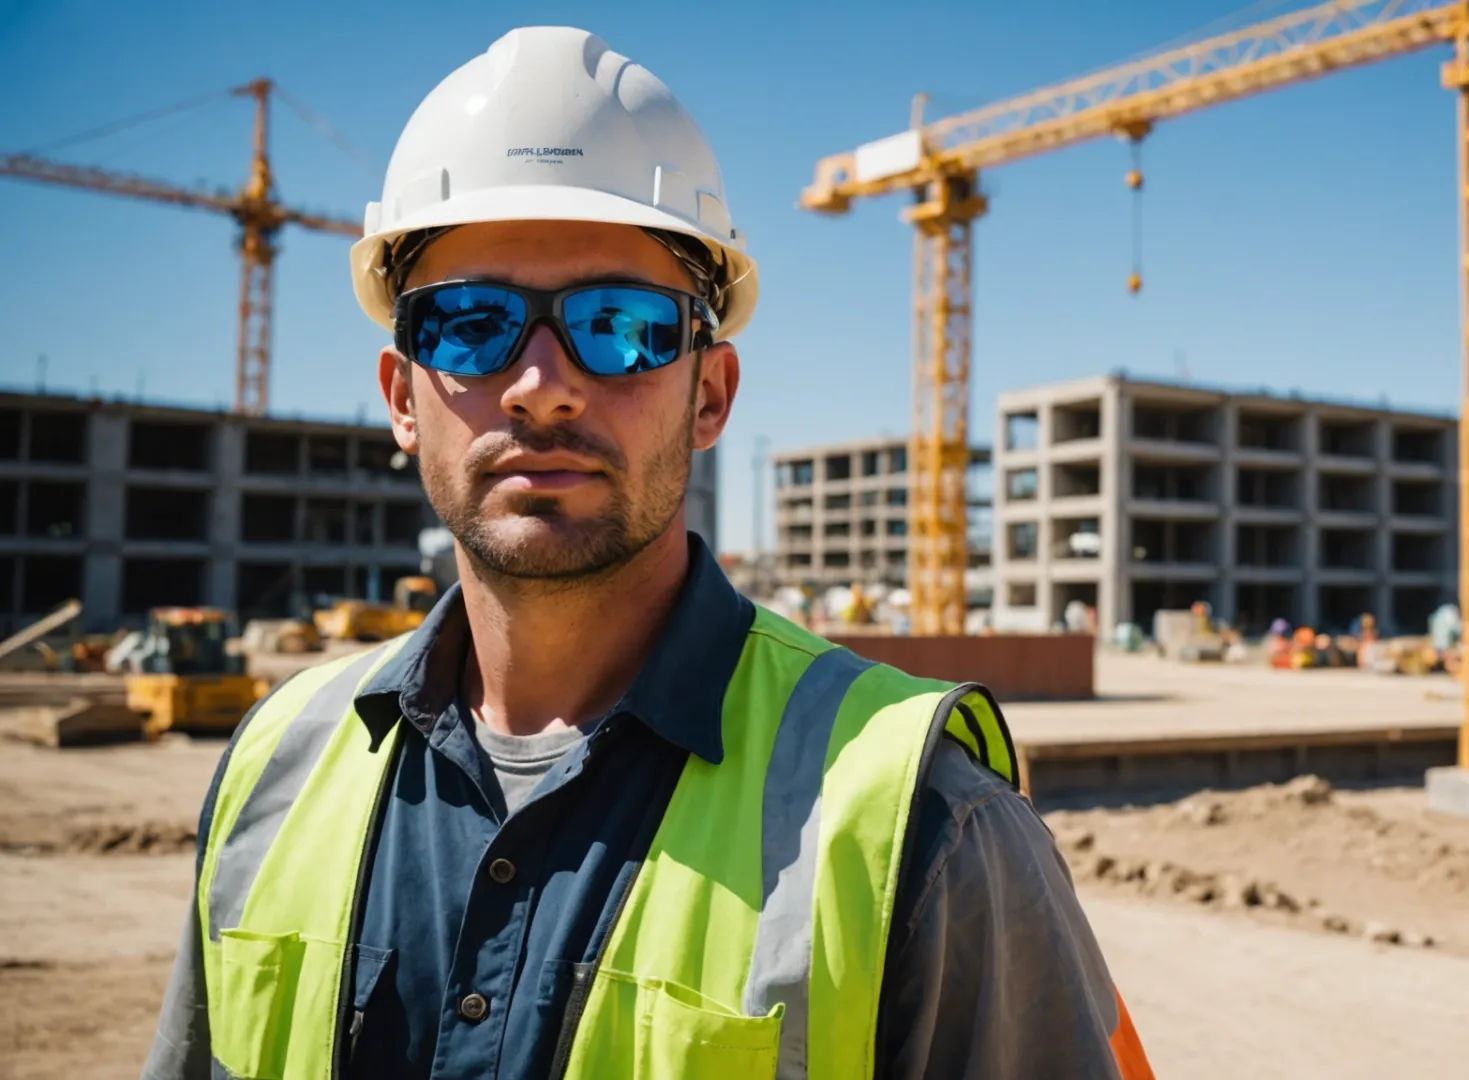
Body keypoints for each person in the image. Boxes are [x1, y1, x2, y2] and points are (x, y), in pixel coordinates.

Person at [142, 26, 1152, 1080]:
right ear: (403, 396)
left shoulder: (925, 825)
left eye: (620, 325)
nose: (542, 383)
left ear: (708, 393)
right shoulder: (275, 768)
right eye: (470, 324)